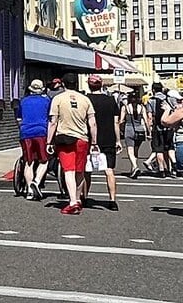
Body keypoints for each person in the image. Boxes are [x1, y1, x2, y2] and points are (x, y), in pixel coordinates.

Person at [46, 72, 98, 215]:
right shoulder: (85, 100)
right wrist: (94, 142)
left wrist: (48, 141)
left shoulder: (58, 99)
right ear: (77, 84)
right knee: (79, 171)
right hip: (82, 139)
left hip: (65, 137)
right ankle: (78, 198)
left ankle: (72, 201)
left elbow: (53, 122)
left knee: (68, 170)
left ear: (63, 84)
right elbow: (92, 123)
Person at [82, 74, 121, 209]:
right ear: (101, 84)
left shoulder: (86, 100)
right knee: (109, 170)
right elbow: (116, 122)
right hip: (108, 138)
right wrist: (118, 140)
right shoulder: (111, 100)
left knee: (87, 170)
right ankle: (112, 200)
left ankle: (85, 197)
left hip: (89, 138)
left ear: (88, 85)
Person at [16, 78, 50, 200]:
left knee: (28, 162)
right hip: (41, 132)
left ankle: (30, 191)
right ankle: (36, 181)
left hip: (26, 132)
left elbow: (19, 119)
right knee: (44, 161)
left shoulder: (23, 101)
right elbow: (51, 118)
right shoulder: (46, 101)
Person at [145, 82, 173, 177]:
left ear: (153, 90)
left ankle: (161, 170)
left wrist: (149, 130)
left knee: (159, 149)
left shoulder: (151, 100)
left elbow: (149, 117)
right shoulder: (168, 99)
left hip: (157, 128)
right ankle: (169, 167)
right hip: (169, 127)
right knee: (169, 147)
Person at [120, 89, 149, 179]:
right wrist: (148, 131)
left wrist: (120, 129)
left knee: (130, 151)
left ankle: (135, 167)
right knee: (136, 151)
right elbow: (146, 120)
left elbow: (121, 120)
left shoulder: (125, 107)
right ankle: (133, 169)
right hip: (140, 130)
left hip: (129, 129)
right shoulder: (142, 108)